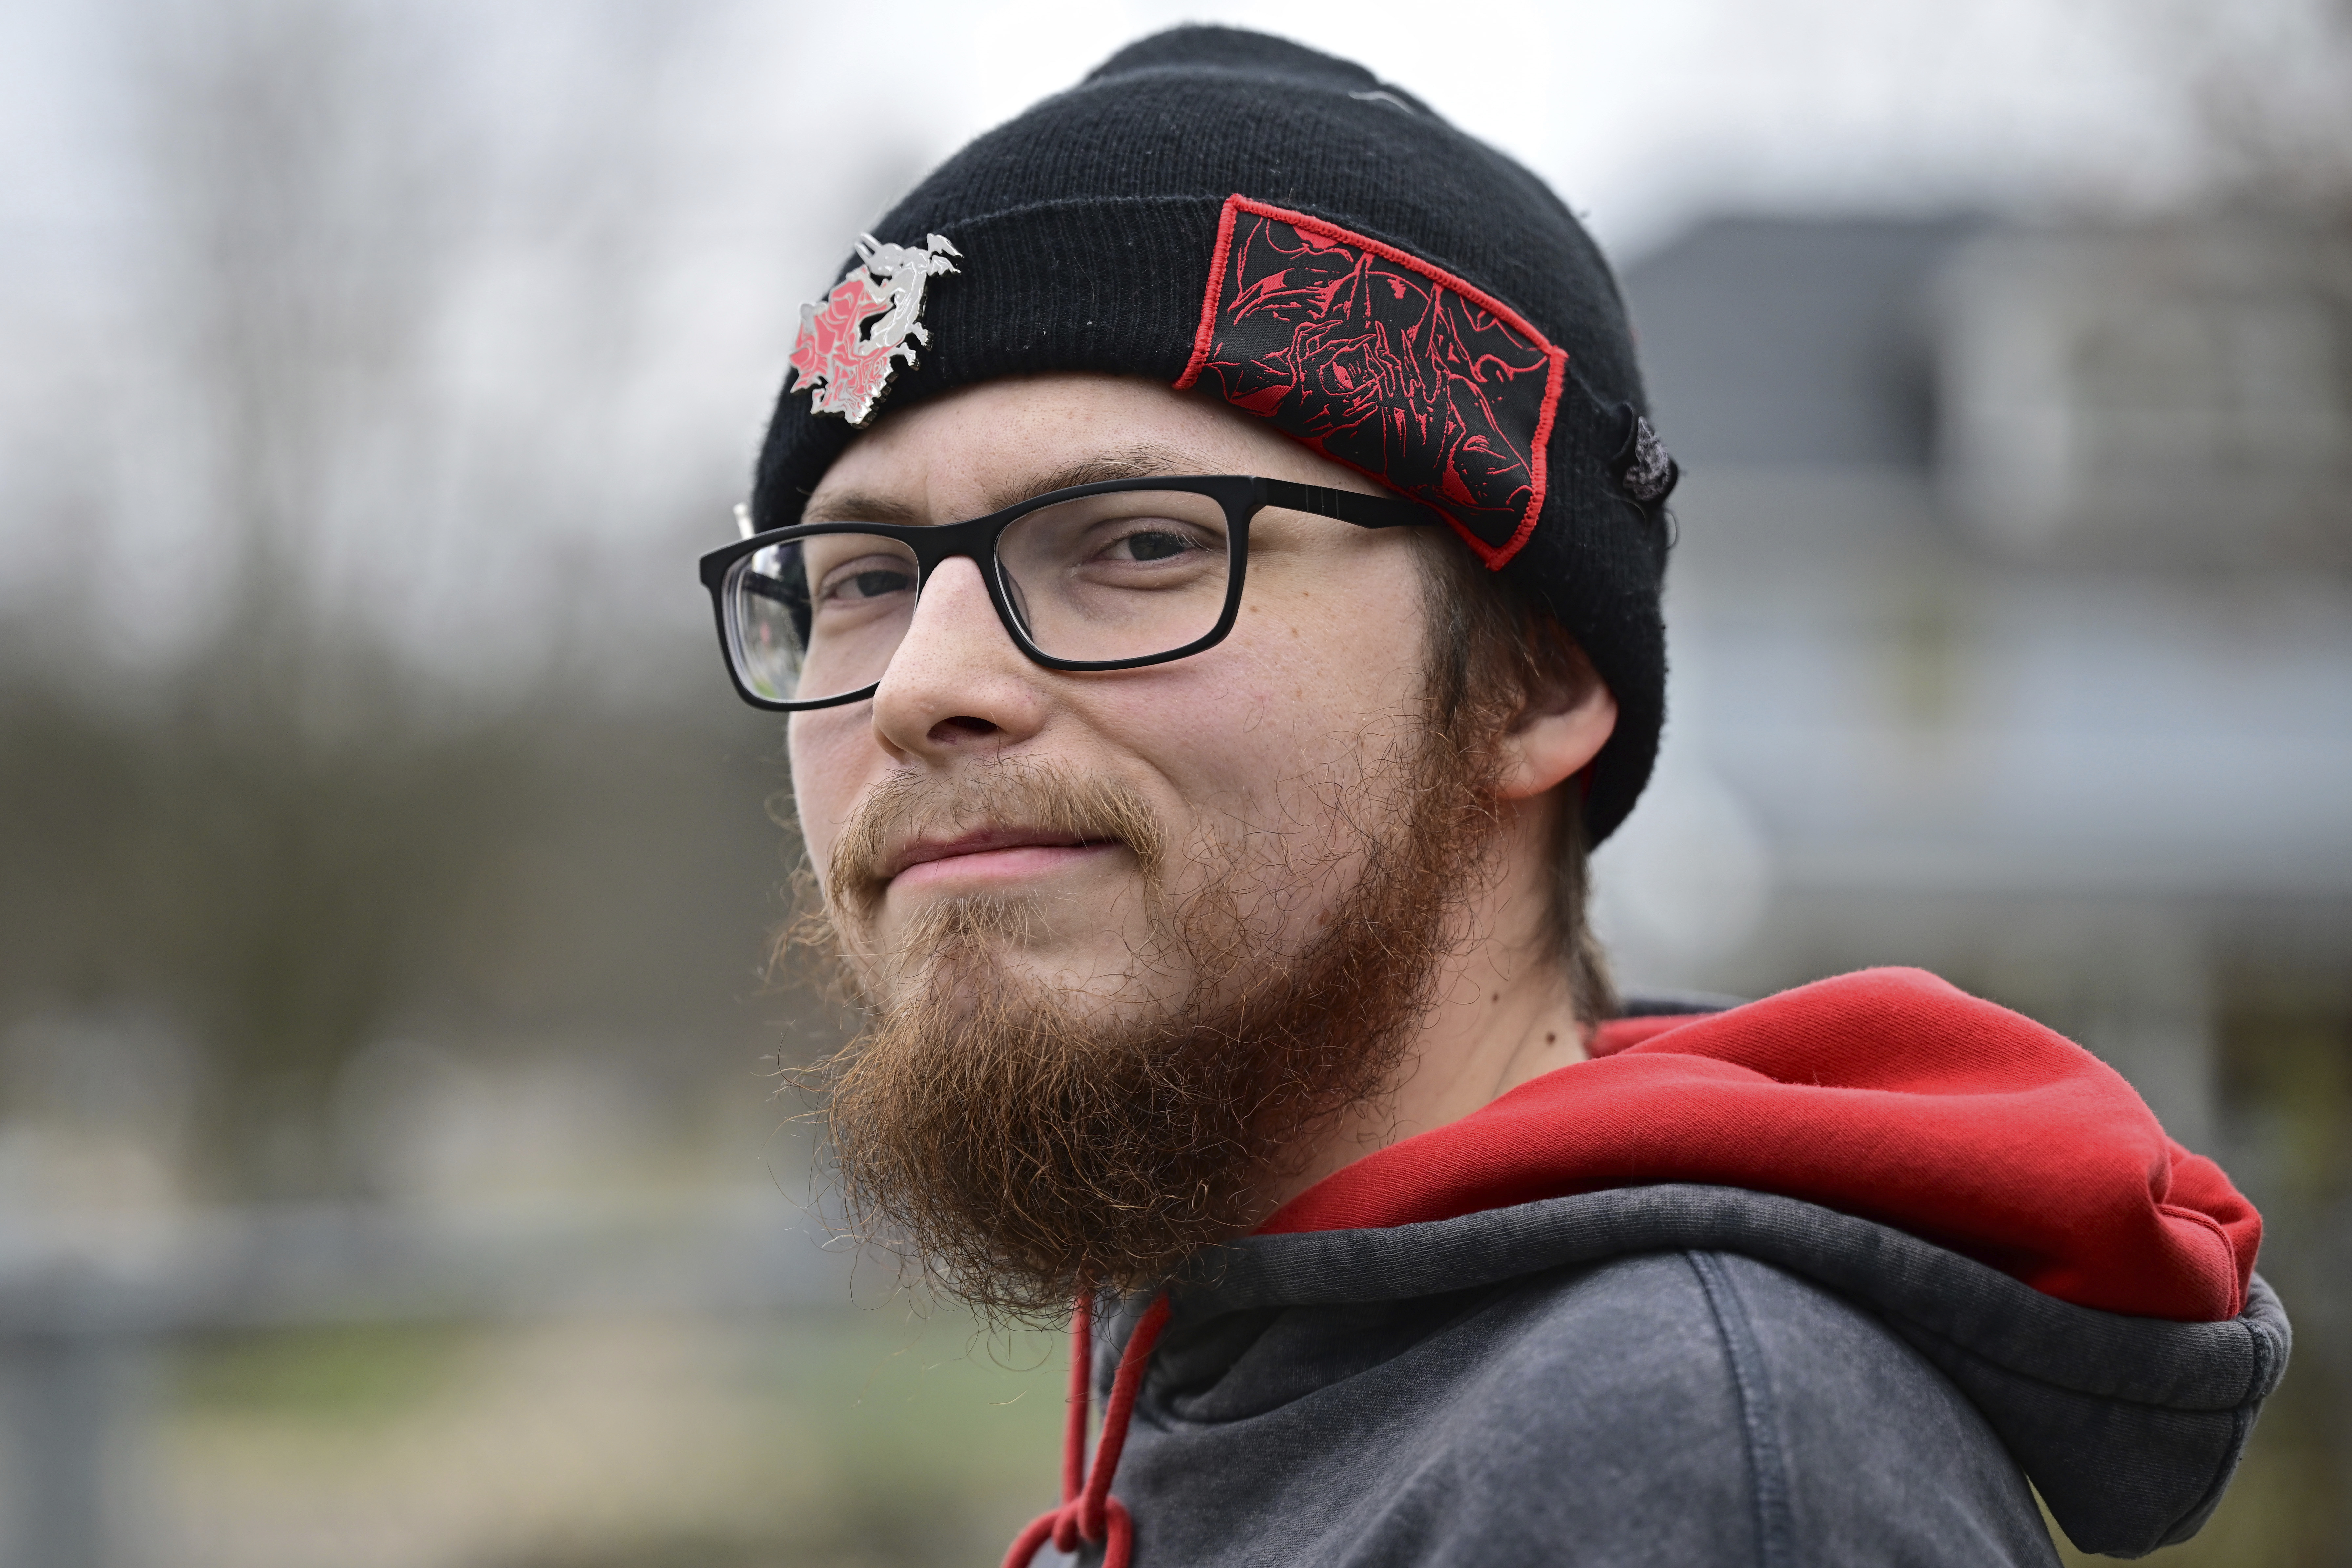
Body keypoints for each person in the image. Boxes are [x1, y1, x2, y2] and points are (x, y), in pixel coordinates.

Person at [699, 26, 2287, 1567]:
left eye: (1140, 543)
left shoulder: (1671, 1455)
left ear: (1531, 679)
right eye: (860, 577)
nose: (919, 683)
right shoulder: (1247, 1374)